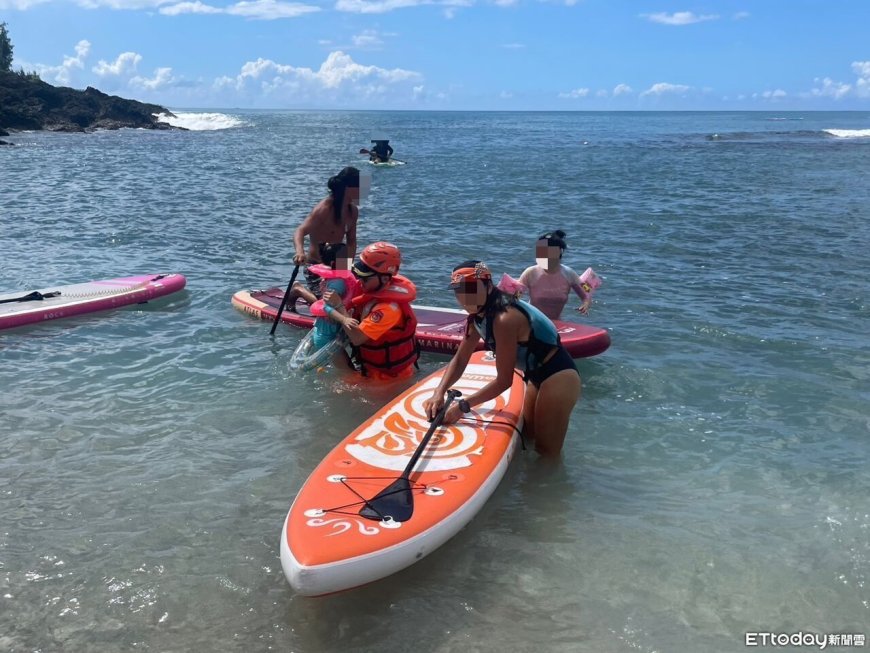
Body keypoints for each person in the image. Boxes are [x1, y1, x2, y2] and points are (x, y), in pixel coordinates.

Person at [423, 260, 581, 457]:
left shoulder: (505, 318)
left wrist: (462, 406)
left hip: (559, 376)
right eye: (459, 291)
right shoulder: (477, 316)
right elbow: (460, 359)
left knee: (546, 452)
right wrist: (438, 392)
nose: (465, 297)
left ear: (489, 286)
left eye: (472, 289)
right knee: (527, 438)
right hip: (534, 375)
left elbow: (504, 381)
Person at [323, 242, 419, 381]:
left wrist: (339, 306)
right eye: (359, 275)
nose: (360, 280)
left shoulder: (388, 309)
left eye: (365, 278)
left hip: (388, 378)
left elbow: (357, 338)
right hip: (369, 367)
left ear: (384, 278)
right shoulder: (370, 291)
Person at [292, 167, 360, 304]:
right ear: (348, 188)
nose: (362, 191)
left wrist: (347, 268)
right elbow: (300, 231)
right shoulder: (324, 208)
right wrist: (300, 252)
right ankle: (298, 289)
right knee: (328, 302)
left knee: (350, 296)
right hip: (315, 266)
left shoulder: (352, 211)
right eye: (359, 186)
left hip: (337, 265)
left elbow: (351, 242)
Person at [518, 230, 592, 320]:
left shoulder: (569, 273)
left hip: (556, 322)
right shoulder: (530, 272)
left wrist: (586, 303)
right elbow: (516, 295)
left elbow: (587, 291)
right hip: (533, 321)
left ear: (560, 251)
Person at [294, 243, 358, 349]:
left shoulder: (338, 279)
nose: (350, 261)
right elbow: (326, 307)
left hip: (328, 327)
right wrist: (344, 319)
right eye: (346, 259)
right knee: (330, 356)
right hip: (326, 333)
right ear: (333, 263)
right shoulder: (338, 283)